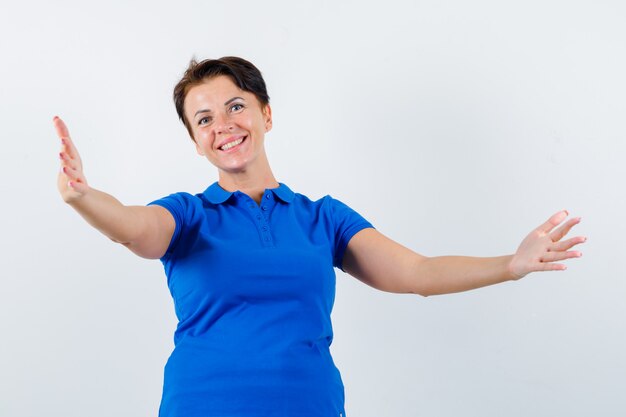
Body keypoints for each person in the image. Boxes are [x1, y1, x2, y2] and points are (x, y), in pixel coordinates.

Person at [54, 56, 586, 417]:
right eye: (204, 119)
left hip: (309, 404)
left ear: (265, 113)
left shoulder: (322, 218)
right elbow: (132, 227)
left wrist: (511, 265)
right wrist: (83, 196)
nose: (224, 125)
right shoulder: (189, 215)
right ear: (196, 142)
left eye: (236, 106)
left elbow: (416, 274)